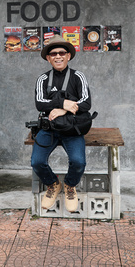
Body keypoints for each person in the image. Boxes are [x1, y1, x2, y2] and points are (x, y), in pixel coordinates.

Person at [31, 35, 92, 212]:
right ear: (48, 58)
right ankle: (52, 184)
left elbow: (86, 103)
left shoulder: (78, 77)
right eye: (53, 53)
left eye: (62, 53)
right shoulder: (43, 79)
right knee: (37, 162)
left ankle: (70, 186)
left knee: (78, 161)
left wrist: (64, 109)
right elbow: (40, 104)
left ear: (68, 56)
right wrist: (63, 103)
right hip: (49, 128)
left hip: (72, 128)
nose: (58, 56)